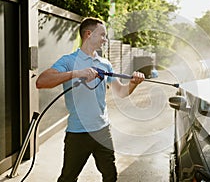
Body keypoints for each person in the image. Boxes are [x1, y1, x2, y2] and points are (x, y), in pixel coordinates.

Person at [36, 17, 145, 182]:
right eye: (102, 35)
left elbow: (121, 92)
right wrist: (76, 73)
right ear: (89, 34)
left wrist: (133, 83)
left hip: (102, 130)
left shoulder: (105, 64)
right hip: (77, 132)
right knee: (68, 178)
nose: (105, 39)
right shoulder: (68, 61)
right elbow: (41, 82)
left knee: (110, 176)